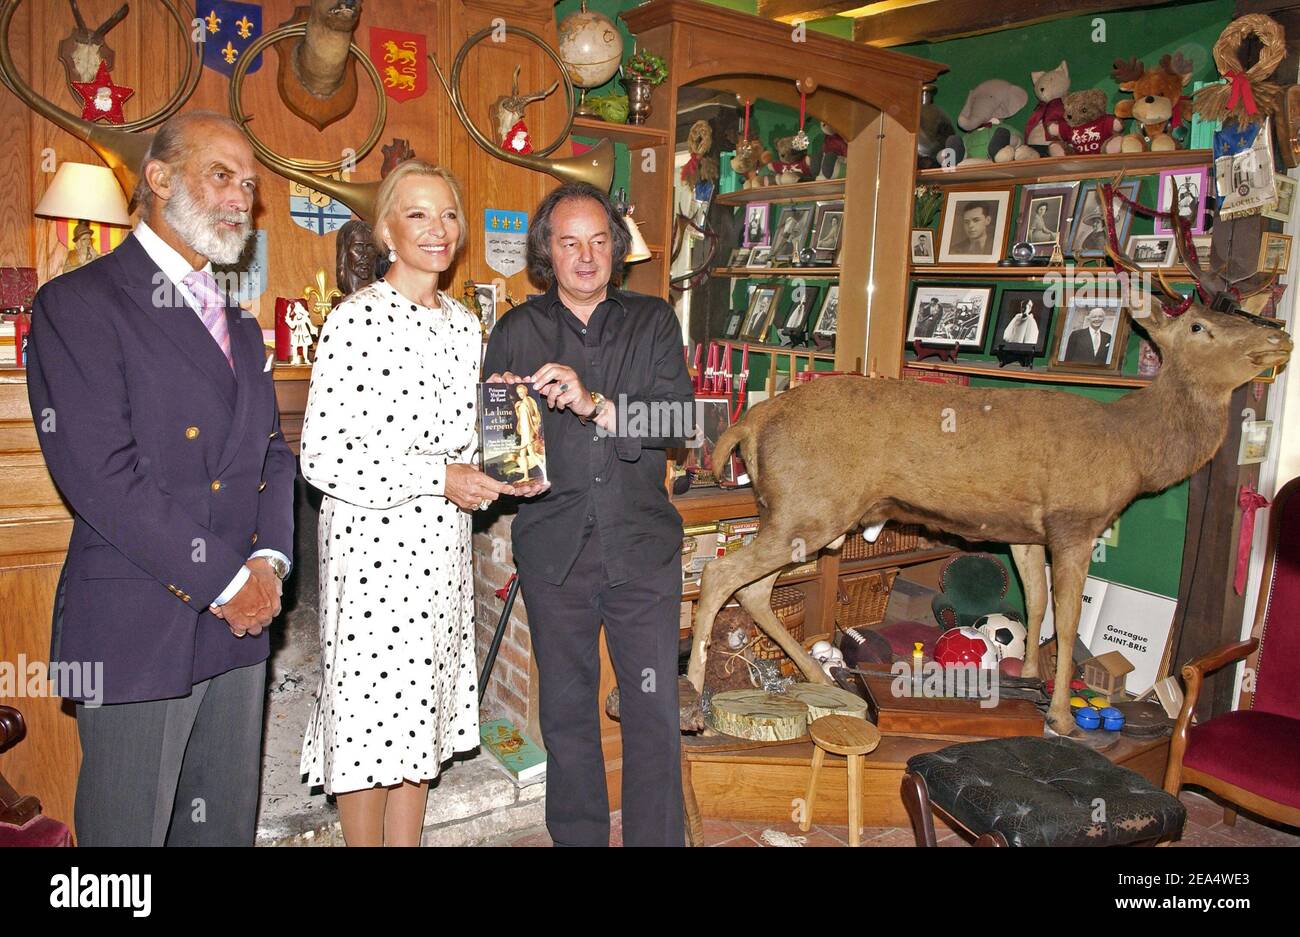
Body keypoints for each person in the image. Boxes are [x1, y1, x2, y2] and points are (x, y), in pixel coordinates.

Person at [26, 111, 295, 846]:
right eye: (222, 175)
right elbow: (101, 476)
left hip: (240, 627)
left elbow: (273, 454)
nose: (242, 197)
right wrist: (226, 582)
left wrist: (269, 564)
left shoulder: (241, 328)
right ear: (158, 177)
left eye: (249, 184)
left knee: (221, 831)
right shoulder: (78, 304)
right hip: (139, 624)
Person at [298, 161, 546, 846]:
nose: (437, 229)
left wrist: (509, 457)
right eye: (417, 214)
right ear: (385, 229)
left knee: (418, 714)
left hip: (439, 549)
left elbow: (468, 444)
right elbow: (321, 456)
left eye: (448, 215)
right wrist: (438, 477)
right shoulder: (353, 321)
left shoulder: (467, 327)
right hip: (372, 549)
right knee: (369, 715)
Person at [482, 181, 695, 846]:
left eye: (599, 240)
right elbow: (496, 450)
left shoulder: (653, 318)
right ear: (548, 250)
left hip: (641, 551)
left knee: (653, 710)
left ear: (616, 247)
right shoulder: (516, 330)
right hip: (555, 555)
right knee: (568, 715)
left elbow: (681, 418)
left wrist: (594, 402)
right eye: (569, 242)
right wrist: (503, 433)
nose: (586, 255)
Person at [513, 382, 546, 483]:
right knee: (523, 454)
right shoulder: (528, 401)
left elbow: (526, 421)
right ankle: (526, 476)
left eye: (522, 392)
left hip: (527, 433)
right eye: (519, 393)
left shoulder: (525, 404)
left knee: (532, 454)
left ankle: (544, 474)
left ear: (525, 392)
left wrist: (526, 439)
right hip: (526, 432)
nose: (520, 395)